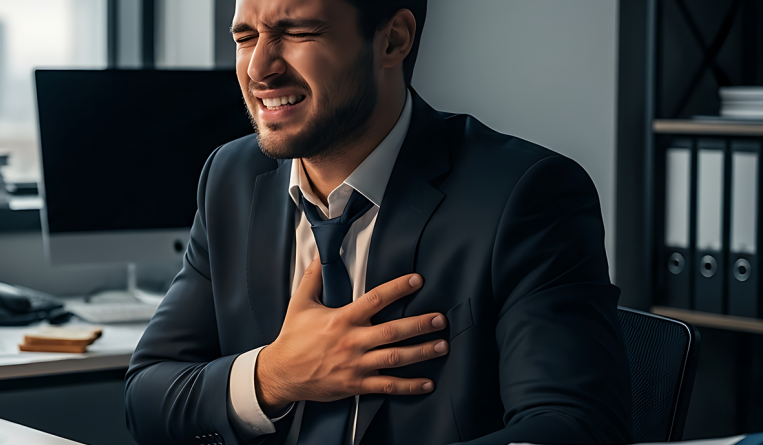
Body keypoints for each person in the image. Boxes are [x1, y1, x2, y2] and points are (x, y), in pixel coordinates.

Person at [123, 0, 633, 443]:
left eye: (298, 32)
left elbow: (573, 427)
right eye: (245, 37)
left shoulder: (525, 194)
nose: (259, 69)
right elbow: (146, 398)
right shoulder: (230, 177)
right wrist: (274, 376)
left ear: (393, 40)